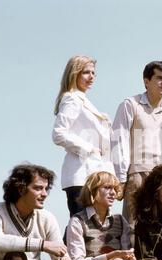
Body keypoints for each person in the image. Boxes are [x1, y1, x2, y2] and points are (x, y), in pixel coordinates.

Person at [112, 61, 162, 239]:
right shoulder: (131, 104)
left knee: (160, 229)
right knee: (132, 228)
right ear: (146, 81)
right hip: (137, 174)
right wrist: (120, 178)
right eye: (159, 77)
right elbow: (119, 142)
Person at [53, 55, 115, 217]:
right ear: (75, 74)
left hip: (92, 176)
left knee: (91, 229)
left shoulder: (82, 100)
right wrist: (90, 149)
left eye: (93, 73)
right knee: (81, 228)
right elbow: (58, 134)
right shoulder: (72, 99)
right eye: (86, 72)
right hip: (80, 176)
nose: (91, 77)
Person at [66, 171, 143, 260]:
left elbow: (126, 254)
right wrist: (109, 257)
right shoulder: (78, 221)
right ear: (93, 191)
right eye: (107, 188)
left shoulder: (120, 220)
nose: (113, 193)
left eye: (115, 189)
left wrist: (129, 256)